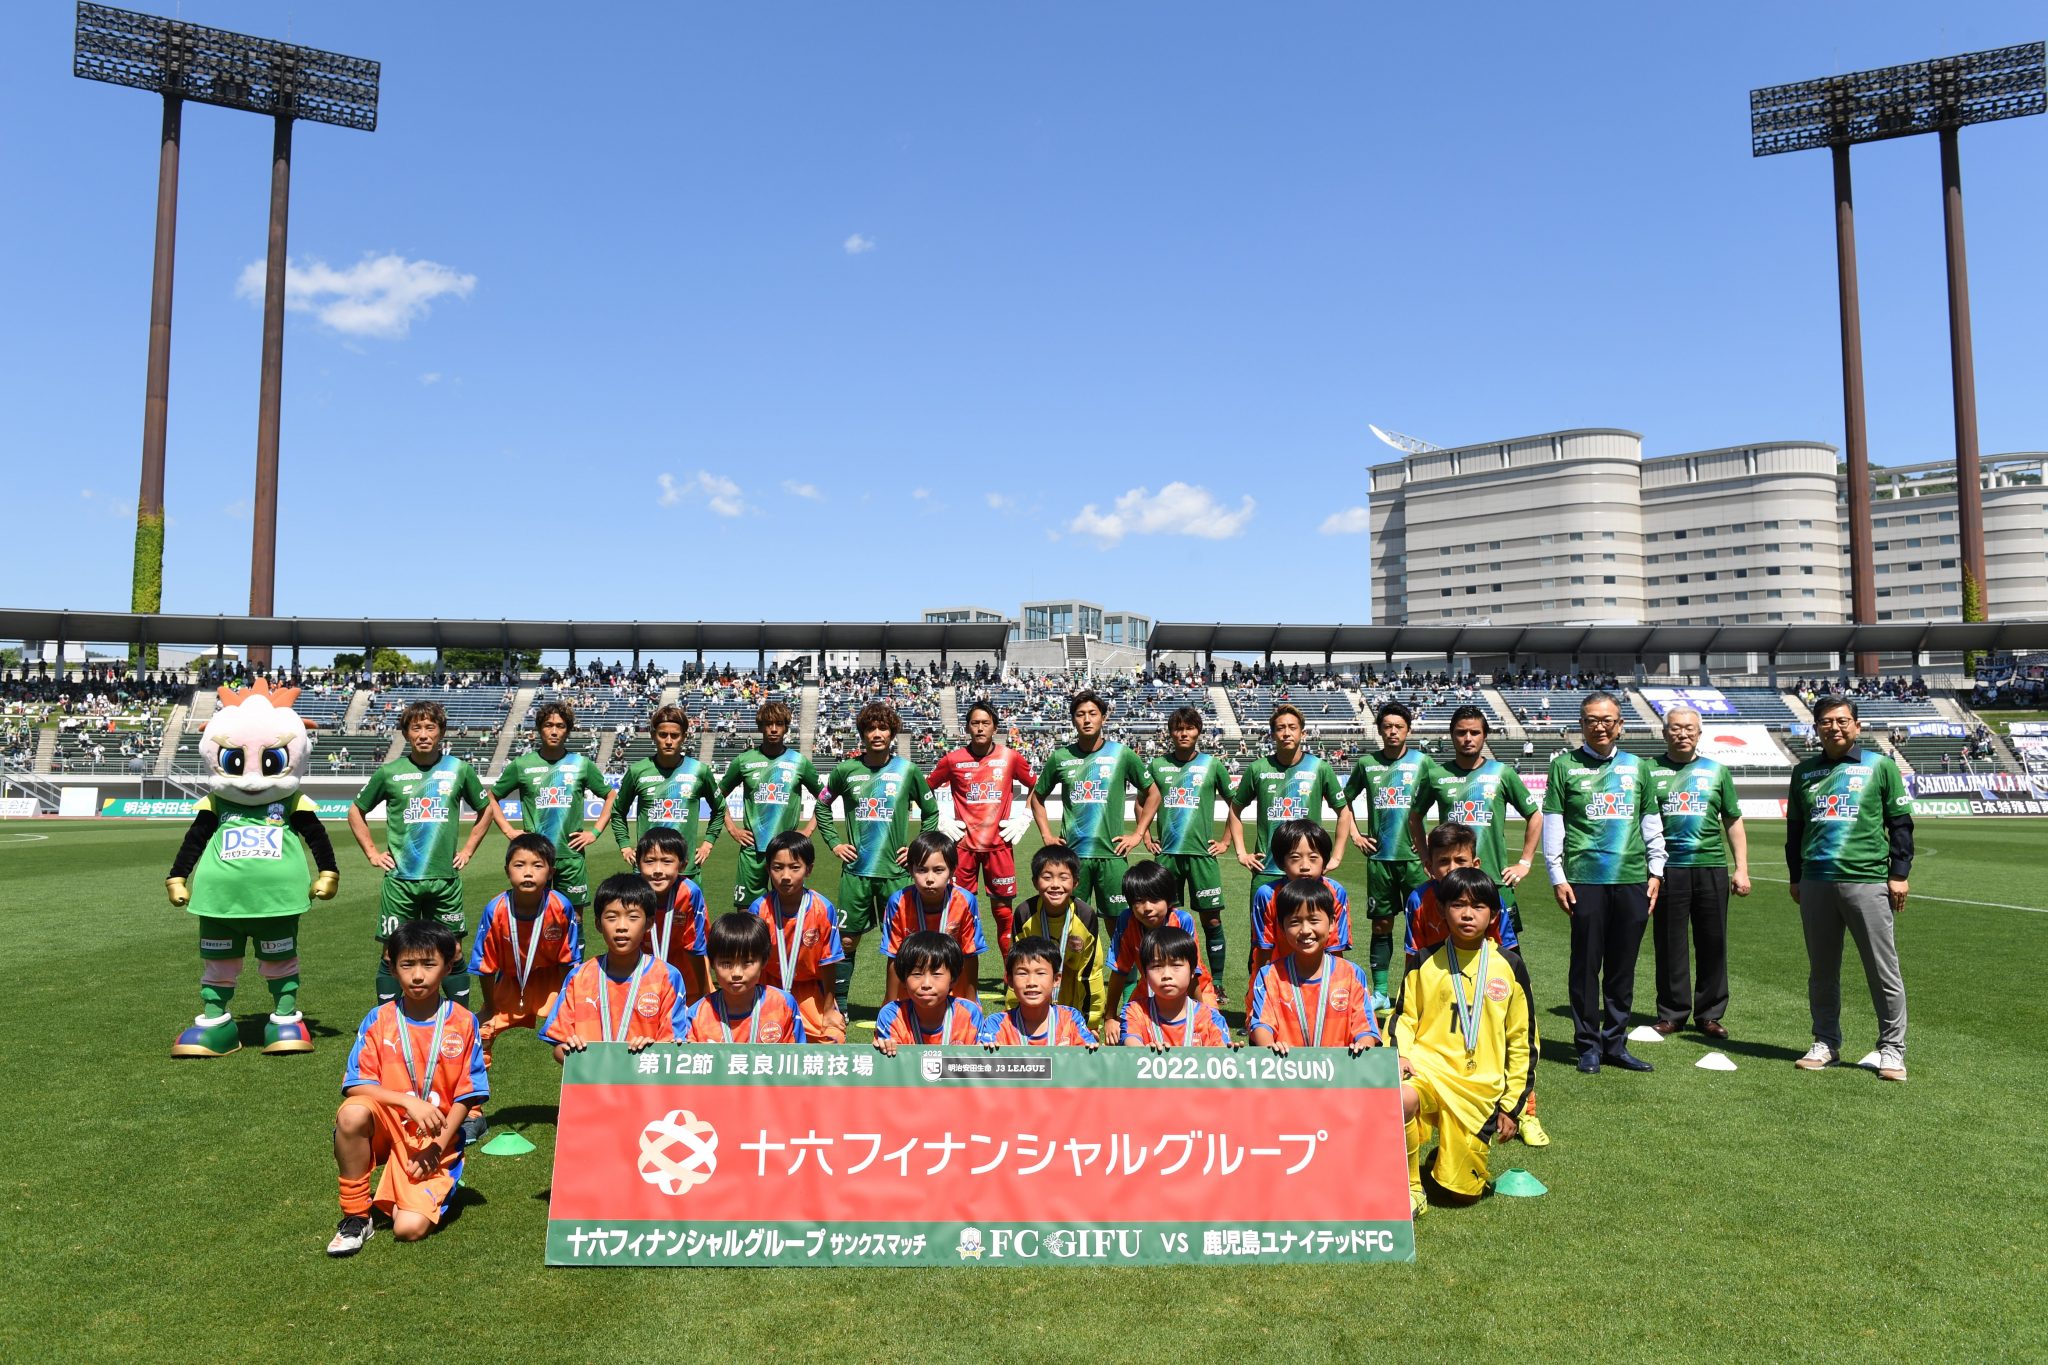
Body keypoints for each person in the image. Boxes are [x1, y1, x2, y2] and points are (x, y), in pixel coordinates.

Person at [328, 921, 488, 1257]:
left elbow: (467, 1095)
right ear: (392, 966)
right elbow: (355, 1085)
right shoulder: (378, 1019)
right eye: (407, 965)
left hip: (434, 1137)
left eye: (428, 964)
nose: (417, 976)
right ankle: (356, 1216)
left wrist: (436, 1149)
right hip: (388, 1127)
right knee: (352, 1114)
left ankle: (438, 1183)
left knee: (408, 1228)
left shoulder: (462, 1021)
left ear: (447, 966)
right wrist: (407, 1102)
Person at [347, 700, 510, 1007]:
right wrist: (372, 853)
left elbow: (486, 809)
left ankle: (459, 1019)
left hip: (444, 880)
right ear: (406, 733)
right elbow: (356, 810)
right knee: (391, 953)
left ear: (441, 732)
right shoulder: (389, 773)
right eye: (416, 728)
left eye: (430, 727)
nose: (423, 734)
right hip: (400, 881)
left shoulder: (459, 769)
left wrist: (468, 850)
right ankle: (387, 1021)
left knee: (453, 951)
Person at [1392, 867, 1535, 1214]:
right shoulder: (1425, 960)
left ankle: (1443, 1160)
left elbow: (1523, 1041)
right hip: (1429, 1071)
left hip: (1479, 1088)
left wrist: (1511, 1105)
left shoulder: (1510, 966)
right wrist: (1400, 1056)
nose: (1467, 914)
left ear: (1494, 915)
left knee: (1462, 1196)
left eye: (1478, 906)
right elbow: (1404, 1017)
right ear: (1442, 911)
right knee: (1401, 1098)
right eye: (1458, 905)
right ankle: (1411, 1189)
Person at [1786, 696, 1913, 1082]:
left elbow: (1900, 824)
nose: (1834, 727)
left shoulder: (1880, 766)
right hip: (1816, 882)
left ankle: (1892, 1049)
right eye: (1826, 721)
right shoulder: (1803, 772)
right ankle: (1826, 1042)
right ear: (1816, 728)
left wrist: (1899, 873)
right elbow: (1795, 831)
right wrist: (1796, 877)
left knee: (1882, 969)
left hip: (1867, 880)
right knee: (1822, 970)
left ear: (1856, 726)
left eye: (1842, 721)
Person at [1543, 691, 1663, 1074]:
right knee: (1585, 965)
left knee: (1622, 967)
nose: (1600, 726)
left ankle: (1615, 1043)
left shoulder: (1638, 768)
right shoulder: (1563, 766)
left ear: (1620, 725)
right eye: (1592, 720)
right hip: (1584, 879)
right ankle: (1587, 1045)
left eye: (1607, 720)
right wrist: (1557, 876)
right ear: (1581, 724)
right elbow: (1554, 824)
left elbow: (1651, 824)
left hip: (1632, 879)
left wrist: (1657, 871)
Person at [1405, 821, 1546, 1147]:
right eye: (1443, 861)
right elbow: (1413, 955)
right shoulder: (1418, 900)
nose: (1452, 868)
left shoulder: (1488, 897)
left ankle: (1526, 1111)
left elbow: (1508, 954)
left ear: (1475, 863)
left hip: (1485, 985)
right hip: (1441, 985)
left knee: (1513, 1041)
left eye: (1461, 861)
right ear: (1429, 866)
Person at [816, 701, 940, 1011]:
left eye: (883, 728)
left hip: (895, 874)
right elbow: (822, 806)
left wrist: (917, 848)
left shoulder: (907, 771)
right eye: (870, 728)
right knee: (846, 941)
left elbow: (931, 812)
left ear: (892, 733)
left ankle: (899, 1006)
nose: (876, 733)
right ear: (862, 733)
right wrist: (834, 843)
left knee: (902, 943)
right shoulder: (845, 770)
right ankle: (840, 1006)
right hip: (856, 873)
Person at [1647, 705, 1750, 1039]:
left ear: (1699, 733)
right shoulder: (1648, 770)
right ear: (1665, 733)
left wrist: (1742, 868)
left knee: (1713, 942)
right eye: (1675, 728)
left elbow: (1732, 819)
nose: (1683, 733)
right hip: (1667, 869)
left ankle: (1709, 1014)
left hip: (1711, 866)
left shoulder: (1717, 771)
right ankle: (1672, 1013)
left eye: (1689, 728)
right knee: (1669, 943)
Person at [1342, 702, 1443, 1010]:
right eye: (1387, 726)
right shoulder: (1366, 764)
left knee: (1423, 925)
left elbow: (1446, 795)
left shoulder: (1423, 762)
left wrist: (1432, 839)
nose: (1393, 732)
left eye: (1399, 726)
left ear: (1408, 730)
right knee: (1381, 925)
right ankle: (1381, 992)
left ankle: (1421, 989)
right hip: (1380, 860)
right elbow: (1343, 801)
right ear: (1380, 730)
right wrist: (1356, 835)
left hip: (1415, 861)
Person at [1412, 705, 1542, 936]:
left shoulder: (1502, 773)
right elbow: (1414, 817)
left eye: (1475, 732)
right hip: (1452, 882)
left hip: (1495, 880)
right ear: (1452, 735)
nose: (1468, 738)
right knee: (1451, 948)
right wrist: (1426, 857)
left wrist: (1525, 862)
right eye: (1461, 732)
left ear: (1485, 735)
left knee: (1508, 950)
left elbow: (1534, 815)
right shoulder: (1436, 775)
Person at [1029, 689, 1157, 918]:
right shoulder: (1060, 757)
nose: (1087, 719)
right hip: (1073, 857)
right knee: (1074, 922)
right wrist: (1047, 835)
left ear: (1103, 718)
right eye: (1080, 714)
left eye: (1092, 713)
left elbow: (1153, 794)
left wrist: (1138, 834)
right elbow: (1037, 798)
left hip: (1112, 855)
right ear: (1073, 720)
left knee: (1119, 922)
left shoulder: (1122, 754)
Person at [927, 699, 1036, 955]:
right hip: (962, 847)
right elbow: (923, 789)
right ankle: (955, 970)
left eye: (985, 723)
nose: (980, 728)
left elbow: (1037, 785)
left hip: (999, 846)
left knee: (1004, 914)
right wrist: (940, 819)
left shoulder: (1010, 757)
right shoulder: (952, 760)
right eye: (975, 723)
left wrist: (1025, 817)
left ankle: (1009, 972)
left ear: (994, 727)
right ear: (967, 727)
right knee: (957, 912)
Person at [539, 874, 689, 1058]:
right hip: (593, 1075)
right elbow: (558, 1047)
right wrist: (573, 1054)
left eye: (633, 917)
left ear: (649, 923)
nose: (621, 926)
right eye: (611, 917)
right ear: (598, 924)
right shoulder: (578, 977)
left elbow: (673, 1047)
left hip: (643, 1075)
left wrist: (652, 1050)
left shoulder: (667, 977)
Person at [1144, 704, 1242, 985]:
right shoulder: (1157, 766)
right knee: (1164, 920)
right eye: (1178, 729)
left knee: (1212, 920)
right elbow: (1142, 801)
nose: (1183, 733)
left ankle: (1217, 982)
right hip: (1168, 856)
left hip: (1202, 856)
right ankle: (1162, 977)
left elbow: (1235, 803)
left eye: (1189, 728)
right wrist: (1146, 835)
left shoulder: (1212, 765)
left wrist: (1226, 841)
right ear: (1170, 733)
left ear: (1198, 731)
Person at [490, 700, 615, 917]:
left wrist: (594, 832)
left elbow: (611, 795)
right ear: (540, 728)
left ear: (568, 730)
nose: (554, 731)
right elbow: (491, 797)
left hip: (571, 855)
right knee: (535, 916)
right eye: (548, 725)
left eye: (560, 726)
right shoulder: (522, 765)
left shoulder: (581, 764)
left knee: (574, 918)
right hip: (534, 858)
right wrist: (508, 831)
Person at [467, 834, 582, 1067]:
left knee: (575, 1037)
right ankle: (474, 1090)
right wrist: (489, 1006)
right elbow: (485, 966)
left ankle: (585, 1086)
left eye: (537, 866)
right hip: (511, 981)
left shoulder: (561, 906)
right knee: (479, 1035)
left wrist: (568, 1002)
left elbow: (568, 961)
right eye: (519, 865)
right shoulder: (495, 910)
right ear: (507, 870)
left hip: (552, 981)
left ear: (550, 873)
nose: (528, 872)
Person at [1248, 880, 1380, 1055]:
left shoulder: (1351, 974)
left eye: (1314, 920)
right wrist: (1269, 1048)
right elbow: (1261, 1024)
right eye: (1295, 922)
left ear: (1332, 923)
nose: (1305, 930)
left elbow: (1365, 1026)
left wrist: (1363, 1046)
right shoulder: (1269, 975)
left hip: (1339, 1069)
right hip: (1287, 1067)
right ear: (1281, 927)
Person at [718, 699, 824, 911]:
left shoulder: (799, 762)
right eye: (768, 724)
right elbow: (717, 796)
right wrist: (733, 829)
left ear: (786, 727)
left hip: (787, 852)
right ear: (760, 727)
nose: (773, 729)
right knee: (747, 912)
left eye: (779, 724)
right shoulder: (744, 761)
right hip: (752, 850)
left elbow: (825, 798)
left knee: (788, 909)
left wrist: (808, 830)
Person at [742, 831, 848, 1042]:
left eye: (794, 867)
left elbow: (828, 964)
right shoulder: (759, 909)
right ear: (768, 869)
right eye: (777, 867)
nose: (785, 876)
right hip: (768, 986)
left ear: (809, 869)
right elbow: (750, 961)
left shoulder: (822, 909)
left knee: (832, 1039)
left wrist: (829, 1009)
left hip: (810, 989)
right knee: (758, 1038)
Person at [1101, 859, 1219, 1042]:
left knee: (1207, 1037)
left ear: (1169, 899)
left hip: (1196, 990)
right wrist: (1110, 1017)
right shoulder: (1126, 920)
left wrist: (1199, 1015)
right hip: (1151, 987)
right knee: (1126, 1034)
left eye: (1155, 899)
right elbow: (1119, 970)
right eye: (1139, 901)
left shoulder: (1182, 920)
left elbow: (1193, 974)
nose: (1147, 908)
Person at [609, 704, 720, 889]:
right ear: (653, 735)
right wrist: (625, 846)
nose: (669, 741)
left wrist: (708, 843)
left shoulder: (699, 771)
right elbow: (618, 811)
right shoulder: (637, 771)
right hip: (647, 872)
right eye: (663, 735)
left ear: (684, 737)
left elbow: (720, 808)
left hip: (686, 871)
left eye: (674, 735)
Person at [1245, 819, 1354, 1004]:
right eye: (1295, 858)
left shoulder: (1336, 893)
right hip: (1280, 981)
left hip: (1321, 982)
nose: (1305, 866)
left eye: (1313, 857)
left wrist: (1338, 992)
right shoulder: (1267, 895)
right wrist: (1258, 996)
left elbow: (1335, 950)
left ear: (1324, 860)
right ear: (1281, 862)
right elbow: (1263, 952)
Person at [1012, 843, 1108, 1032]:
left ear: (1075, 882)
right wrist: (1014, 1018)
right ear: (1035, 882)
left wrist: (1091, 1024)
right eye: (1047, 877)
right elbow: (1017, 969)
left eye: (1063, 878)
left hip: (1071, 996)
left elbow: (1090, 974)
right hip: (1034, 992)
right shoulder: (1024, 913)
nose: (1055, 884)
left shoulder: (1085, 916)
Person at [879, 832, 984, 1002]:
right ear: (911, 870)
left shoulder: (965, 901)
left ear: (952, 870)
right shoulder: (898, 902)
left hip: (954, 991)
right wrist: (889, 1004)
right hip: (912, 991)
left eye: (938, 870)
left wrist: (971, 1002)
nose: (929, 879)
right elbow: (894, 956)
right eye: (921, 870)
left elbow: (970, 954)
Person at [683, 912, 808, 1043]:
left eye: (747, 962)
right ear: (712, 963)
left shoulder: (783, 1004)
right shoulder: (696, 1015)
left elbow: (797, 1054)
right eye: (726, 963)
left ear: (764, 961)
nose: (736, 973)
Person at [1119, 926, 1233, 1049]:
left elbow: (1222, 1053)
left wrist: (1234, 1054)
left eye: (1176, 965)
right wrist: (1144, 1053)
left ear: (1192, 971)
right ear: (1145, 974)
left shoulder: (1211, 1018)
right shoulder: (1135, 1011)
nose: (1166, 975)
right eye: (1157, 966)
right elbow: (1131, 1042)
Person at [978, 936, 1100, 1048]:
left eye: (1040, 973)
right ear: (1010, 980)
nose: (1031, 982)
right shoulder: (997, 1024)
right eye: (1022, 973)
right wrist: (986, 1052)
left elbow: (1088, 1055)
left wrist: (1089, 1051)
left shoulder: (1071, 1018)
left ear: (1056, 980)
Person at [872, 930, 985, 1051]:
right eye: (917, 974)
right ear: (903, 980)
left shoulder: (969, 1013)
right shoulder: (891, 1015)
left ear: (953, 979)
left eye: (936, 974)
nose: (926, 984)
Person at [636, 826, 709, 1003]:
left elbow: (697, 947)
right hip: (641, 976)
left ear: (682, 865)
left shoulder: (689, 893)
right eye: (650, 861)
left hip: (685, 977)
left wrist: (703, 991)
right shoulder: (632, 894)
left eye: (667, 861)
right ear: (638, 864)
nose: (657, 869)